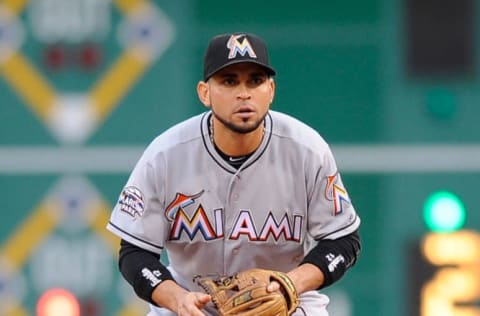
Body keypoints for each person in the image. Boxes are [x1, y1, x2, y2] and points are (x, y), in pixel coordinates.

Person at [106, 32, 361, 316]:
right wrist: (178, 299)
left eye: (255, 81)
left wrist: (291, 283)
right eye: (229, 81)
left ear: (271, 90)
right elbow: (134, 253)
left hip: (285, 305)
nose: (244, 93)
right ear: (205, 92)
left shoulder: (307, 150)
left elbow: (343, 241)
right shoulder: (166, 155)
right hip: (191, 304)